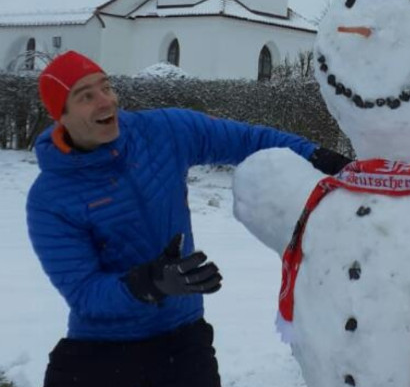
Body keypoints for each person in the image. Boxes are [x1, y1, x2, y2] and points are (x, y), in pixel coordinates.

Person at [27, 50, 350, 387]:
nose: (105, 102)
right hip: (102, 353)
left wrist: (319, 157)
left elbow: (247, 139)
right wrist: (150, 282)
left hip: (183, 342)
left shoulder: (161, 131)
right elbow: (84, 293)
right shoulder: (50, 199)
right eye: (86, 96)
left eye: (106, 87)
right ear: (59, 115)